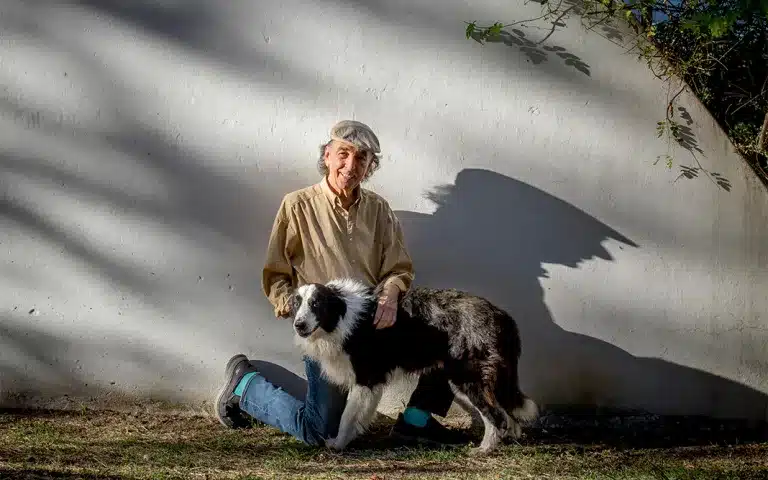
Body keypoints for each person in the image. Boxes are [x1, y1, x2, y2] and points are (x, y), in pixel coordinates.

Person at [214, 120, 467, 447]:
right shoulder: (297, 205)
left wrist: (390, 296)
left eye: (362, 158)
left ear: (370, 166)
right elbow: (276, 273)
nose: (351, 165)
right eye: (344, 154)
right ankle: (245, 387)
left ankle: (415, 420)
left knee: (452, 330)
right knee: (321, 432)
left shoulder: (379, 209)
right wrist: (294, 309)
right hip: (326, 334)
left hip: (372, 327)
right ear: (327, 155)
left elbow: (399, 269)